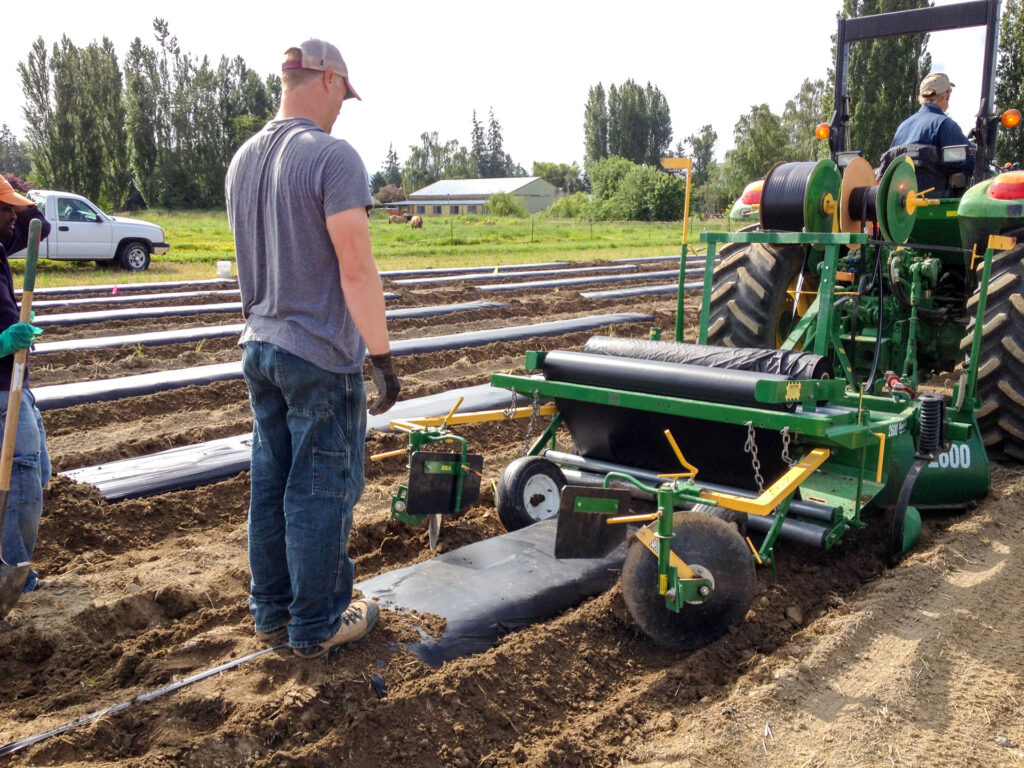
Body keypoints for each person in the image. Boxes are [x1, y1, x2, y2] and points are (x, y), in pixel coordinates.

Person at [225, 39, 400, 660]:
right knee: (321, 489)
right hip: (319, 355)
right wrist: (380, 357)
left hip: (260, 345)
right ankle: (318, 621)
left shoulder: (243, 159)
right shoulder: (331, 157)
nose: (343, 109)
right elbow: (356, 266)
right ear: (327, 81)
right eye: (344, 96)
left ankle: (271, 616)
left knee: (270, 486)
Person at [0, 176, 50, 594]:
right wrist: (1, 341)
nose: (12, 216)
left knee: (38, 470)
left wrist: (18, 193)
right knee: (21, 480)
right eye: (4, 209)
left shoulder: (0, 247)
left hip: (15, 381)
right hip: (1, 389)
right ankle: (15, 577)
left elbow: (39, 225)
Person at [890, 72, 974, 175]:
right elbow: (969, 164)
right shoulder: (945, 125)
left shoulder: (902, 127)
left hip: (903, 190)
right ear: (947, 94)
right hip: (937, 190)